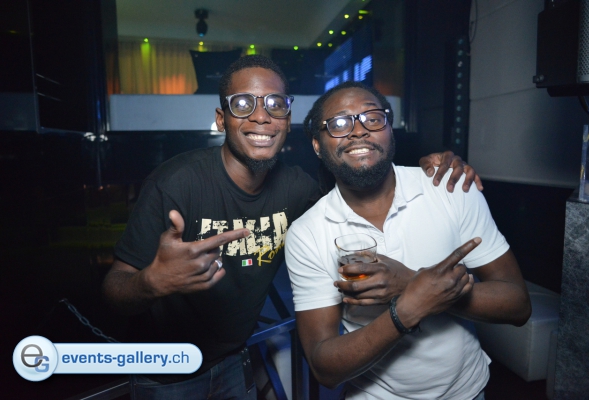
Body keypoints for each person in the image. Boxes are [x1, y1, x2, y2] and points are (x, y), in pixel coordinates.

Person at [102, 55, 482, 399]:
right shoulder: (176, 183)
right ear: (221, 119)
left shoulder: (298, 188)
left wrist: (435, 167)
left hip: (235, 359)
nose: (261, 117)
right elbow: (113, 292)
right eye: (243, 104)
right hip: (167, 370)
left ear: (287, 119)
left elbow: (359, 182)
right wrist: (151, 283)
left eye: (275, 104)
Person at [285, 81, 532, 400]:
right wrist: (405, 310)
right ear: (317, 145)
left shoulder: (449, 188)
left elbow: (517, 304)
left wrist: (411, 283)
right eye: (340, 123)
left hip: (468, 391)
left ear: (390, 130)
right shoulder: (307, 233)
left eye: (373, 118)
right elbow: (325, 368)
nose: (359, 131)